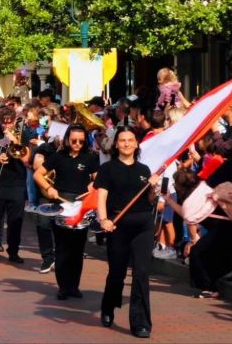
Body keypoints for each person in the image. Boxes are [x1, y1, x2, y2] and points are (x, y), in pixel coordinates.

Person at [96, 126, 160, 338]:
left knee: (141, 273)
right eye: (122, 140)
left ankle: (141, 323)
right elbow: (101, 197)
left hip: (143, 225)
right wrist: (103, 219)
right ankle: (108, 307)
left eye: (130, 140)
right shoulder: (107, 168)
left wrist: (153, 188)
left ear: (136, 143)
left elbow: (149, 200)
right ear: (116, 144)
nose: (126, 144)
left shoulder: (144, 169)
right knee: (117, 272)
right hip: (117, 225)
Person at [34, 124, 100, 299]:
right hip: (61, 204)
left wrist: (93, 185)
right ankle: (63, 286)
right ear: (67, 140)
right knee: (62, 248)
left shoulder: (90, 158)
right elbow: (38, 174)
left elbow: (99, 179)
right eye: (74, 141)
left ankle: (74, 286)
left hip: (81, 206)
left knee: (77, 249)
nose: (77, 144)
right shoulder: (58, 156)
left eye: (81, 141)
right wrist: (49, 188)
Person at [0, 110, 31, 263]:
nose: (7, 125)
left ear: (14, 121)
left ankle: (13, 251)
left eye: (10, 122)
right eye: (4, 122)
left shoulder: (23, 136)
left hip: (17, 184)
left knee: (15, 220)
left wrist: (14, 140)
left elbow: (26, 159)